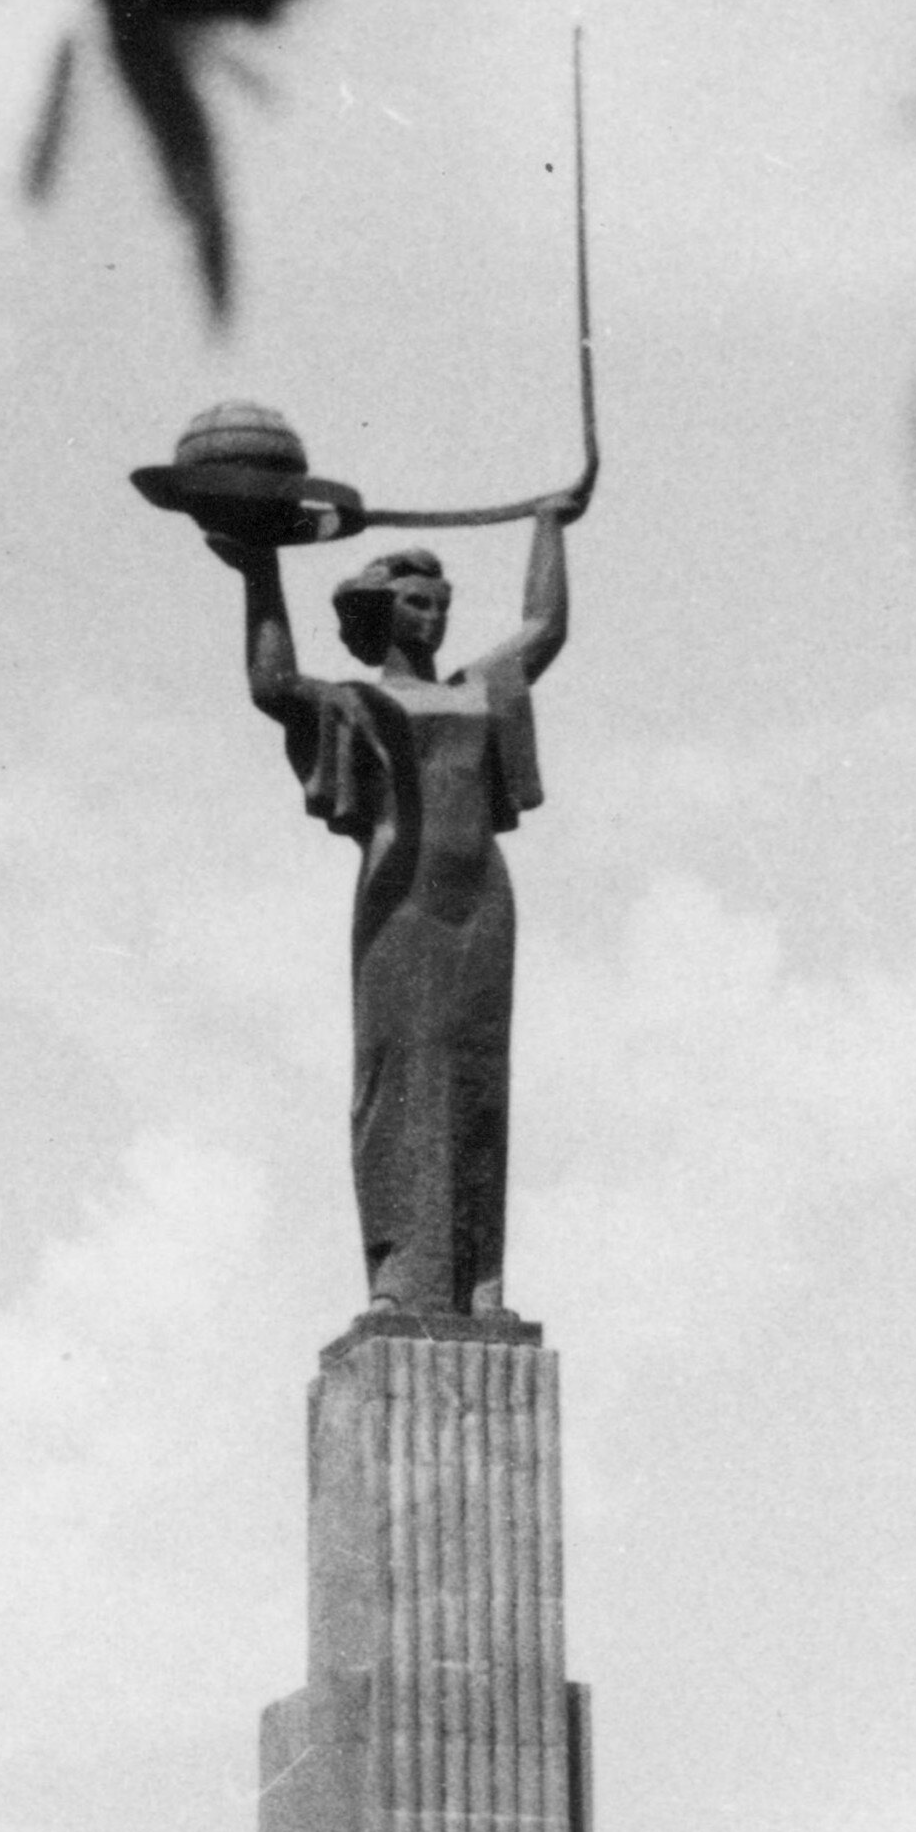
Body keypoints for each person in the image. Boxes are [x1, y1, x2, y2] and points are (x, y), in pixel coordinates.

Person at [221, 487, 585, 1319]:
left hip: (481, 899)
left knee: (477, 1082)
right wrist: (258, 568)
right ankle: (399, 1278)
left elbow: (543, 628)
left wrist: (547, 527)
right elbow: (272, 684)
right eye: (417, 603)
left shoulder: (477, 689)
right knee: (397, 1082)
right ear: (379, 611)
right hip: (400, 900)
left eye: (441, 604)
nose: (434, 618)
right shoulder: (355, 704)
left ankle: (480, 1280)